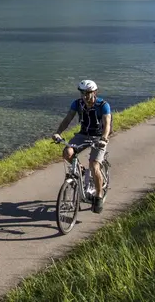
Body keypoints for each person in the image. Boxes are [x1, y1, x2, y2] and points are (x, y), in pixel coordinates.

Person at [52, 79, 111, 213]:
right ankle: (81, 170)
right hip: (83, 135)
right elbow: (68, 119)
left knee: (94, 166)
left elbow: (107, 124)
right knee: (67, 152)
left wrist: (104, 138)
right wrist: (58, 133)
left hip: (98, 137)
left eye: (88, 93)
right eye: (82, 93)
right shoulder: (77, 104)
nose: (85, 96)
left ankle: (99, 196)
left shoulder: (103, 105)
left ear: (95, 92)